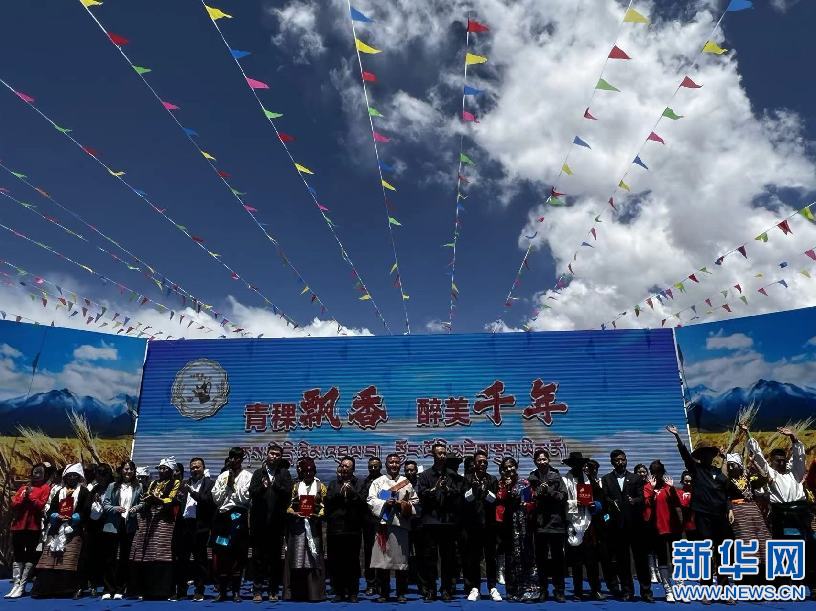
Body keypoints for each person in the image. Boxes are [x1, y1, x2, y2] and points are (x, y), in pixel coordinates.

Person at [746, 425, 814, 592]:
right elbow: (759, 456)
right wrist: (747, 432)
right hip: (781, 516)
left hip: (799, 515)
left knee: (805, 549)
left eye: (783, 459)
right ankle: (783, 584)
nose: (781, 462)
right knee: (782, 549)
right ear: (772, 461)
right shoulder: (771, 474)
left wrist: (793, 437)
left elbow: (799, 457)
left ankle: (804, 583)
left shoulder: (795, 473)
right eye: (778, 460)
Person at [666, 425, 734, 587]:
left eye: (709, 453)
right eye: (704, 453)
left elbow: (725, 493)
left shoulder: (718, 472)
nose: (707, 456)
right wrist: (677, 436)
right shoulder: (696, 470)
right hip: (703, 516)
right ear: (700, 456)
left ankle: (724, 586)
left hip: (720, 517)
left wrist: (729, 509)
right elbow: (685, 455)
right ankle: (706, 586)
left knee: (722, 551)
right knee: (705, 551)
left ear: (712, 455)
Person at [31, 463, 90, 599]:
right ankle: (46, 589)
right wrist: (55, 515)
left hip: (73, 529)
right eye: (69, 476)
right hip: (57, 528)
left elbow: (86, 509)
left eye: (74, 476)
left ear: (79, 477)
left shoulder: (84, 492)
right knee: (49, 558)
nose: (71, 478)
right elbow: (51, 509)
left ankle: (71, 589)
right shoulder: (60, 491)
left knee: (71, 557)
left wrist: (75, 517)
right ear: (65, 477)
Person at [600, 448, 652, 601]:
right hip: (617, 526)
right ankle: (627, 591)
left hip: (635, 525)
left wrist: (634, 501)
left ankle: (646, 592)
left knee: (641, 559)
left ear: (626, 460)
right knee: (622, 561)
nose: (620, 462)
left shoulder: (635, 478)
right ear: (612, 462)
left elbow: (642, 498)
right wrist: (611, 503)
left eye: (623, 459)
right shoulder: (606, 479)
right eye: (617, 460)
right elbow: (605, 498)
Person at [367, 453, 418, 603]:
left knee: (401, 561)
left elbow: (415, 502)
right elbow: (370, 500)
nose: (394, 465)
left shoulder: (406, 483)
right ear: (386, 464)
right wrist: (384, 503)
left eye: (396, 462)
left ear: (400, 464)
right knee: (383, 562)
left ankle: (401, 593)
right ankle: (384, 593)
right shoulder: (378, 482)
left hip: (400, 525)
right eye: (391, 462)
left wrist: (402, 504)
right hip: (383, 526)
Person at [128, 456, 181, 600]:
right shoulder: (153, 483)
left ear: (171, 471)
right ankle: (148, 590)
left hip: (166, 521)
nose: (161, 471)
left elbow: (172, 499)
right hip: (151, 520)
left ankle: (164, 590)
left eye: (164, 469)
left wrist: (158, 500)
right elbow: (147, 497)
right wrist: (143, 503)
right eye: (160, 468)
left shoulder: (175, 482)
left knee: (163, 553)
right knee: (149, 553)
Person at [416, 442, 463, 601]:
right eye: (439, 453)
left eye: (444, 453)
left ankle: (446, 589)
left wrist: (448, 490)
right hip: (430, 522)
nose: (442, 456)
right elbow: (420, 495)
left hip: (448, 523)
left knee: (448, 558)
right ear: (433, 455)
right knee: (430, 558)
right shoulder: (425, 475)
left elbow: (459, 495)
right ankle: (431, 589)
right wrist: (434, 490)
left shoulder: (452, 475)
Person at [249, 443, 293, 602]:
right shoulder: (258, 473)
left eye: (277, 454)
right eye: (272, 453)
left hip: (277, 523)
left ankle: (273, 590)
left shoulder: (284, 474)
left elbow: (288, 493)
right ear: (266, 455)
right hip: (259, 523)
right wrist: (262, 487)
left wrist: (276, 485)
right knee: (258, 558)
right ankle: (257, 590)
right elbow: (251, 493)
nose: (274, 456)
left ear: (281, 457)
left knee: (275, 559)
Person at [561, 451, 606, 601]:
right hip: (572, 522)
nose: (578, 467)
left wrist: (595, 505)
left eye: (580, 464)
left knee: (592, 559)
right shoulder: (564, 480)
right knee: (576, 561)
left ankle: (595, 590)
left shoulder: (590, 480)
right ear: (571, 465)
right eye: (575, 464)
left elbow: (600, 499)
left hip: (588, 522)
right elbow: (561, 501)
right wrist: (575, 503)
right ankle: (578, 591)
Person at [211, 446, 252, 602]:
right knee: (222, 553)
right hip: (223, 518)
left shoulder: (247, 476)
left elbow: (245, 499)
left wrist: (233, 485)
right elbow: (216, 499)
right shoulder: (222, 476)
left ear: (241, 460)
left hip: (238, 516)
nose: (234, 460)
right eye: (232, 457)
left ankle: (236, 592)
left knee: (238, 553)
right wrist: (227, 485)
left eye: (237, 458)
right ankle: (222, 591)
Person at [324, 456, 367, 602]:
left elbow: (363, 502)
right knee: (336, 561)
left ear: (353, 469)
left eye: (347, 466)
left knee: (352, 561)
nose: (344, 468)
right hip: (335, 529)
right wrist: (339, 493)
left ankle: (353, 592)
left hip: (353, 528)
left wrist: (352, 492)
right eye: (342, 466)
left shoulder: (360, 483)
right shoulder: (333, 483)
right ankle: (339, 592)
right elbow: (328, 502)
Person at [495, 457, 538, 601]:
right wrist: (507, 489)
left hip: (523, 523)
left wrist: (528, 506)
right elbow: (499, 500)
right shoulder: (500, 484)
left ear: (516, 466)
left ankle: (529, 589)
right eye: (506, 467)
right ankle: (512, 590)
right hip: (507, 524)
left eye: (511, 466)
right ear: (502, 470)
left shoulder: (525, 483)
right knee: (510, 557)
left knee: (526, 554)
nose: (509, 469)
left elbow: (532, 502)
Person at [285, 456, 328, 601]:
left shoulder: (321, 486)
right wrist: (294, 513)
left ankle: (315, 594)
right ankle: (297, 593)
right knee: (297, 558)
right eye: (306, 471)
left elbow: (325, 506)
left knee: (313, 558)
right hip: (298, 527)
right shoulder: (296, 486)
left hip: (314, 527)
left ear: (314, 471)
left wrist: (318, 515)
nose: (308, 473)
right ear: (302, 472)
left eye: (311, 471)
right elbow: (289, 506)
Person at [528, 449, 567, 602]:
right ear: (535, 462)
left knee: (558, 559)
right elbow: (529, 497)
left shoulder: (557, 476)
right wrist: (538, 492)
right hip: (539, 524)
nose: (542, 462)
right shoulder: (532, 478)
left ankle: (559, 590)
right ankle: (543, 590)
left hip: (556, 523)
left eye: (544, 459)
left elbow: (563, 496)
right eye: (539, 460)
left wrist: (549, 491)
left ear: (549, 460)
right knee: (541, 559)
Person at [462, 450, 501, 602]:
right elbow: (465, 500)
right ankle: (475, 588)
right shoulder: (467, 479)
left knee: (490, 558)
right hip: (473, 526)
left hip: (489, 525)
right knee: (474, 558)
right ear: (474, 463)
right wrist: (474, 489)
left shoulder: (492, 479)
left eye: (485, 461)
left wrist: (485, 493)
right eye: (480, 461)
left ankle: (492, 587)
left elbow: (495, 499)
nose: (483, 464)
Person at [99, 459, 142, 600]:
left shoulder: (138, 486)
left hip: (129, 525)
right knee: (109, 558)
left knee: (124, 558)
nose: (128, 472)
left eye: (131, 469)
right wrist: (115, 508)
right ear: (121, 471)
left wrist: (136, 508)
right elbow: (105, 504)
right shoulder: (112, 486)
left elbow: (142, 502)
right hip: (113, 525)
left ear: (134, 471)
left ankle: (120, 588)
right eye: (126, 469)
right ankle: (108, 589)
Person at [7, 463, 51, 599]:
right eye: (34, 472)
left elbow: (41, 505)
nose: (36, 475)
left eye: (39, 473)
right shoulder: (23, 487)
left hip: (33, 526)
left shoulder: (45, 488)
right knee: (18, 554)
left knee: (30, 554)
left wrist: (30, 497)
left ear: (44, 475)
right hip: (18, 525)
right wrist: (23, 497)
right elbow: (14, 504)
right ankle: (16, 584)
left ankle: (23, 585)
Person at [173, 457, 214, 601]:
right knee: (182, 560)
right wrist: (178, 498)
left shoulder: (210, 484)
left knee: (200, 560)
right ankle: (181, 591)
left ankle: (199, 590)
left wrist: (192, 492)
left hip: (199, 526)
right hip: (184, 525)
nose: (195, 470)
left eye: (197, 467)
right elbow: (178, 501)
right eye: (192, 468)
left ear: (203, 468)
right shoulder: (185, 483)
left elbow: (208, 501)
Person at [642, 460, 682, 602]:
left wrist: (672, 489)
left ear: (663, 472)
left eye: (659, 472)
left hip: (673, 528)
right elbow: (646, 504)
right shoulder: (647, 487)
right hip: (656, 529)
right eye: (653, 472)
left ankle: (680, 587)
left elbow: (678, 504)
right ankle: (668, 589)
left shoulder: (669, 487)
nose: (656, 475)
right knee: (663, 559)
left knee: (677, 558)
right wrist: (652, 489)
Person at [84, 463, 114, 597]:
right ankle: (93, 584)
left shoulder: (114, 487)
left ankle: (108, 585)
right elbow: (86, 507)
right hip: (94, 526)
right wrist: (93, 503)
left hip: (109, 525)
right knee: (92, 556)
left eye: (104, 475)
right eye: (98, 475)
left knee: (108, 557)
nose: (101, 478)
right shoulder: (94, 489)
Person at [361, 456, 383, 595]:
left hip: (381, 522)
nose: (373, 469)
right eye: (371, 467)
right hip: (368, 522)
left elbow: (384, 501)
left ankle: (381, 583)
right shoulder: (365, 482)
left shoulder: (385, 481)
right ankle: (370, 583)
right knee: (369, 553)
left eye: (376, 466)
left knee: (382, 553)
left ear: (380, 467)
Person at [403, 460, 424, 595]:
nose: (410, 472)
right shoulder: (400, 483)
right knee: (404, 555)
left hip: (420, 524)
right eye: (407, 470)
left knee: (421, 555)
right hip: (404, 524)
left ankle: (423, 586)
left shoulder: (422, 483)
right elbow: (383, 496)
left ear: (416, 471)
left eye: (412, 470)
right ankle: (404, 585)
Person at [678, 471, 696, 539]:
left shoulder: (696, 492)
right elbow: (684, 505)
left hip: (698, 524)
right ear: (682, 481)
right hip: (686, 525)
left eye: (690, 481)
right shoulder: (679, 493)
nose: (689, 483)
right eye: (686, 481)